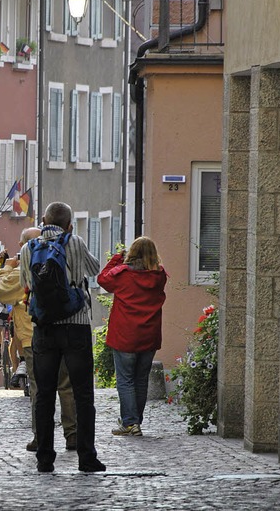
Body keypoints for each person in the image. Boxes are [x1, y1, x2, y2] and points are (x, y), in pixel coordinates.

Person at [19, 202, 105, 474]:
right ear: (69, 224)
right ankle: (87, 458)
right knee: (83, 394)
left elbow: (27, 283)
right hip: (75, 325)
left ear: (43, 221)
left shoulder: (28, 248)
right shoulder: (75, 241)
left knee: (44, 395)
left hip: (43, 327)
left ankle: (45, 459)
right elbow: (94, 270)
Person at [0, 227, 78, 452]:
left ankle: (41, 438)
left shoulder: (21, 269)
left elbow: (0, 291)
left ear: (23, 245)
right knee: (66, 386)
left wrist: (5, 268)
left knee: (40, 389)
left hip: (34, 339)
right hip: (63, 329)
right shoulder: (60, 257)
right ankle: (72, 435)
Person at [98, 236, 168, 437]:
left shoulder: (122, 274)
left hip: (125, 335)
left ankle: (130, 423)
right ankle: (135, 421)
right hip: (149, 335)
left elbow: (102, 279)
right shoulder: (159, 275)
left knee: (126, 380)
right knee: (140, 380)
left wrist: (116, 259)